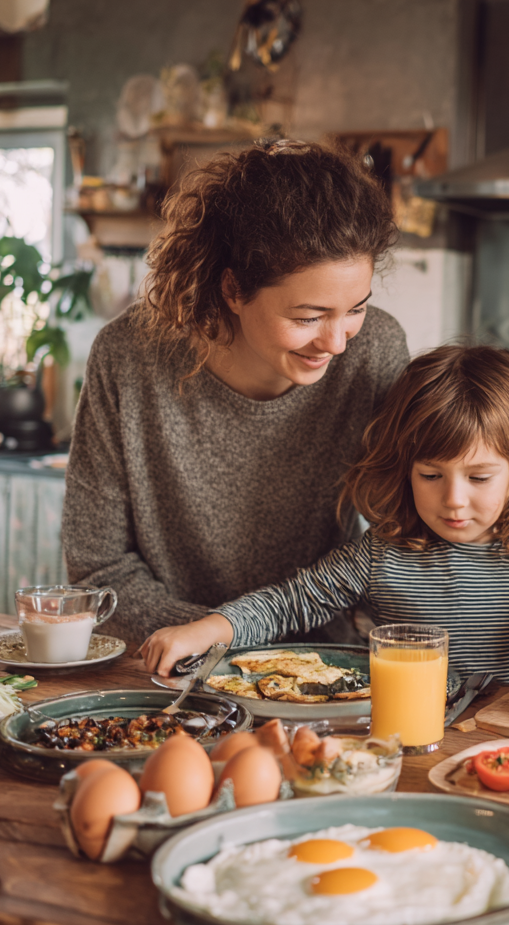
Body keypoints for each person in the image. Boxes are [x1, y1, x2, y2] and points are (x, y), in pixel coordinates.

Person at [62, 141, 409, 645]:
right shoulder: (126, 357)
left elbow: (413, 535)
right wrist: (223, 641)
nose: (336, 343)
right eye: (307, 317)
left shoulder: (375, 349)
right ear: (232, 290)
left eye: (355, 308)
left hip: (326, 670)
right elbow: (99, 572)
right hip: (169, 671)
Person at [140, 345, 509, 685]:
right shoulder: (380, 555)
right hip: (399, 739)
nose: (454, 500)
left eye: (479, 478)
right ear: (405, 468)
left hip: (507, 750)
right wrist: (206, 630)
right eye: (430, 475)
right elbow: (288, 605)